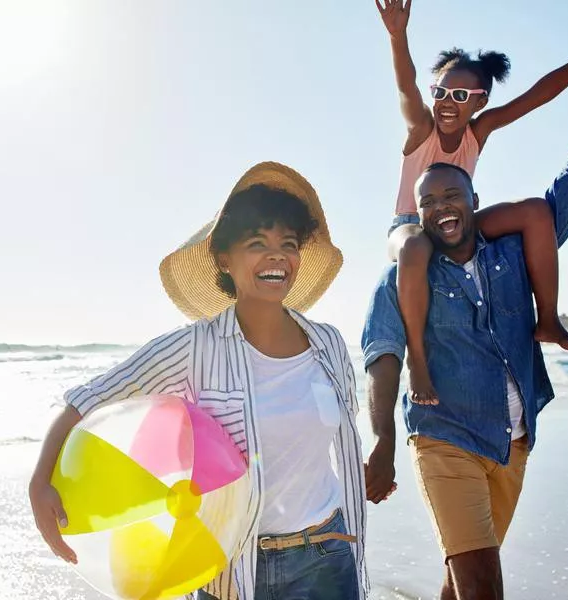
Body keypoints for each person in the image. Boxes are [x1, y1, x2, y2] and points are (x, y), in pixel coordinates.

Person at [29, 162, 374, 600]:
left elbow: (337, 437)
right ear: (225, 260)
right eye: (257, 243)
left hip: (326, 555)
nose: (276, 256)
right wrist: (40, 483)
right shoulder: (196, 347)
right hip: (230, 569)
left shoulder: (327, 343)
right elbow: (91, 398)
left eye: (288, 244)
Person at [361, 92, 568, 599]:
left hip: (512, 444)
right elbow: (383, 358)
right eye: (428, 202)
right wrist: (384, 441)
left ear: (474, 202)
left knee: (463, 581)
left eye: (451, 195)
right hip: (443, 439)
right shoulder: (403, 279)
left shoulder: (518, 253)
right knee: (482, 585)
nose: (440, 208)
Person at [376, 0, 568, 403]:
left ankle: (549, 319)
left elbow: (538, 96)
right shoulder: (422, 128)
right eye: (441, 92)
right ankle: (417, 361)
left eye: (460, 95)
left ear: (479, 101)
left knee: (536, 212)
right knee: (416, 244)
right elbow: (405, 86)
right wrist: (398, 38)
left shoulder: (478, 131)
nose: (447, 102)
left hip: (460, 220)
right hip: (411, 224)